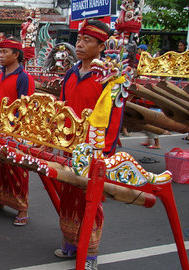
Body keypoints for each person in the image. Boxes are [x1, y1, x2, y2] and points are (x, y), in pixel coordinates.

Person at [56, 19, 119, 270]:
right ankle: (71, 244)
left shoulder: (109, 79)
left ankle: (90, 253)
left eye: (87, 41)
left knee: (91, 200)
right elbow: (61, 109)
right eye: (79, 40)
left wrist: (102, 152)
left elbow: (114, 118)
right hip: (68, 146)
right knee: (68, 198)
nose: (79, 45)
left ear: (101, 47)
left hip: (92, 151)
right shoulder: (71, 73)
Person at [0, 37, 35, 227]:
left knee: (17, 170)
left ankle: (22, 208)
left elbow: (24, 107)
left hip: (13, 132)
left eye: (4, 52)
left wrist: (13, 129)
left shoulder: (24, 78)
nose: (0, 56)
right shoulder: (0, 75)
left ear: (16, 55)